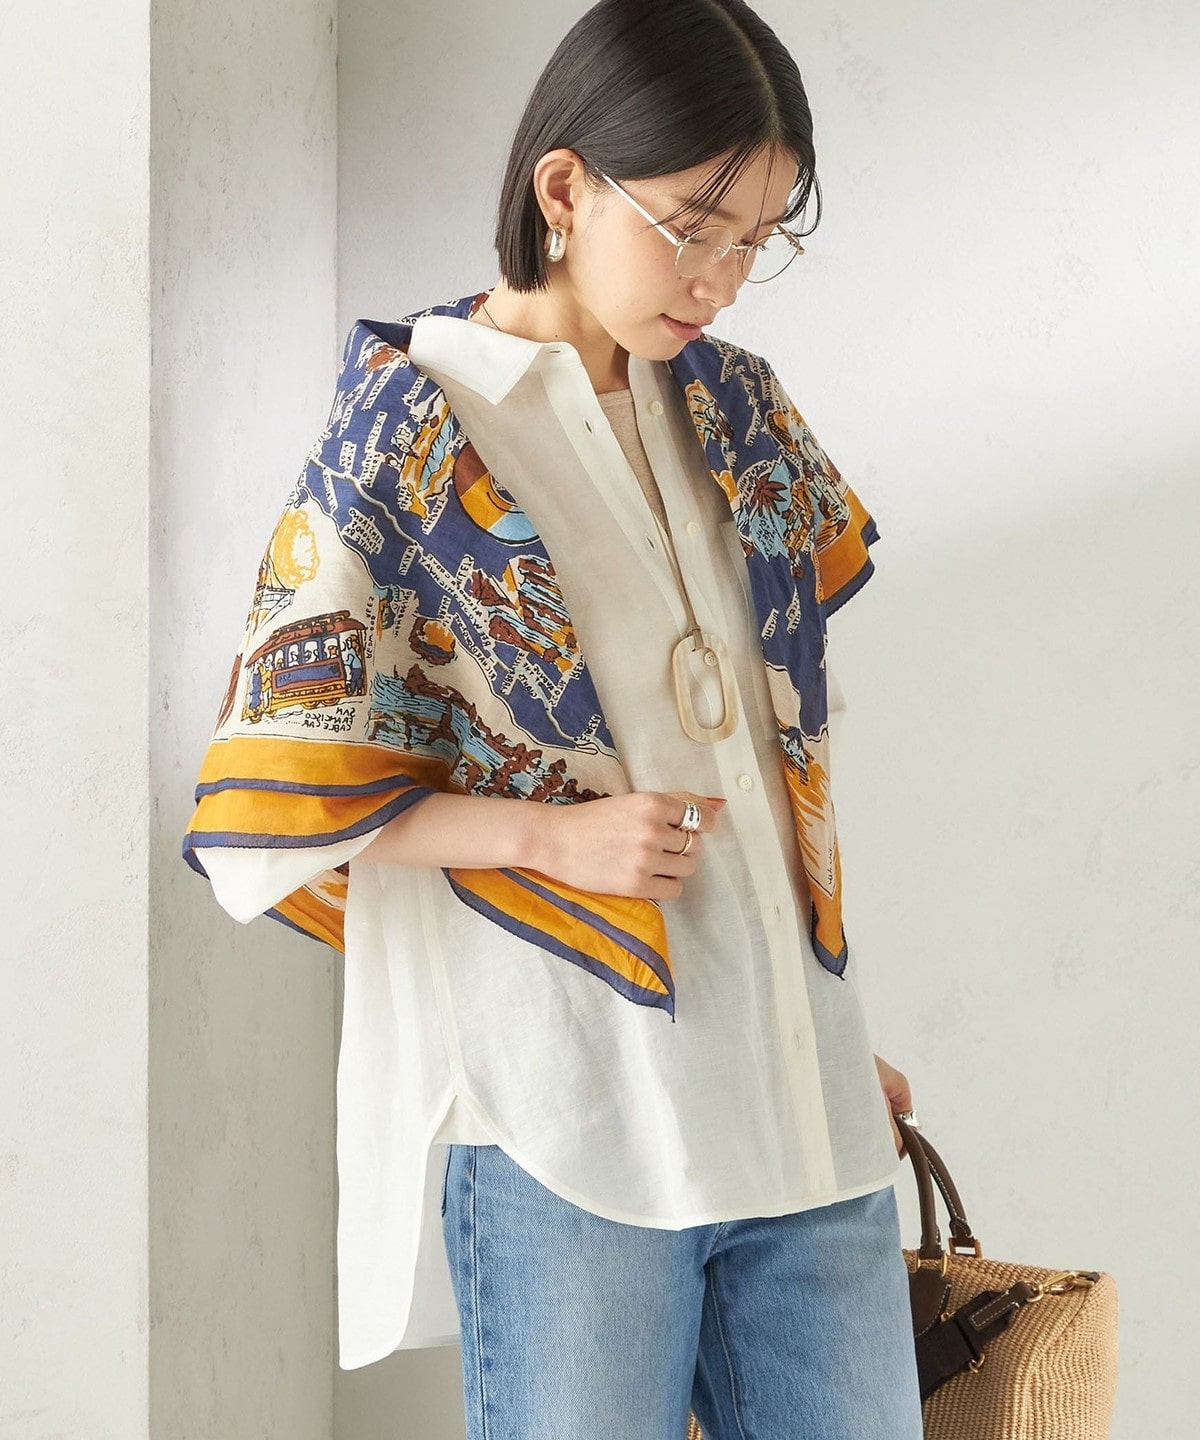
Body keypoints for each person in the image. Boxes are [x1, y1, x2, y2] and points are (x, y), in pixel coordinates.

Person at [183, 1, 925, 1435]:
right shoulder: (409, 429)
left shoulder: (740, 411)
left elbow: (765, 764)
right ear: (566, 187)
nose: (721, 279)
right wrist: (548, 839)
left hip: (798, 1112)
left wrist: (811, 1025)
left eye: (756, 238)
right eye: (693, 225)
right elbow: (264, 795)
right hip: (569, 1118)